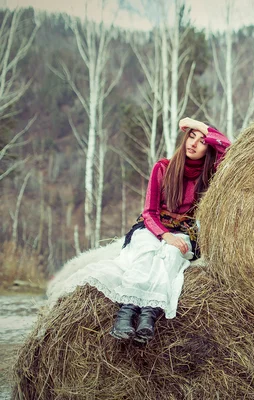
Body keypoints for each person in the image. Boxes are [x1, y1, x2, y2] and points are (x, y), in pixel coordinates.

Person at [55, 117, 230, 344]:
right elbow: (149, 212)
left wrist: (198, 124)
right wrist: (164, 235)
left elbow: (229, 149)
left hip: (183, 232)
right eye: (191, 136)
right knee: (147, 253)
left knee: (169, 255)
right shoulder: (163, 167)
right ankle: (124, 317)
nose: (193, 143)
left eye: (202, 141)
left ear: (208, 148)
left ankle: (148, 317)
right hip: (152, 228)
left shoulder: (209, 174)